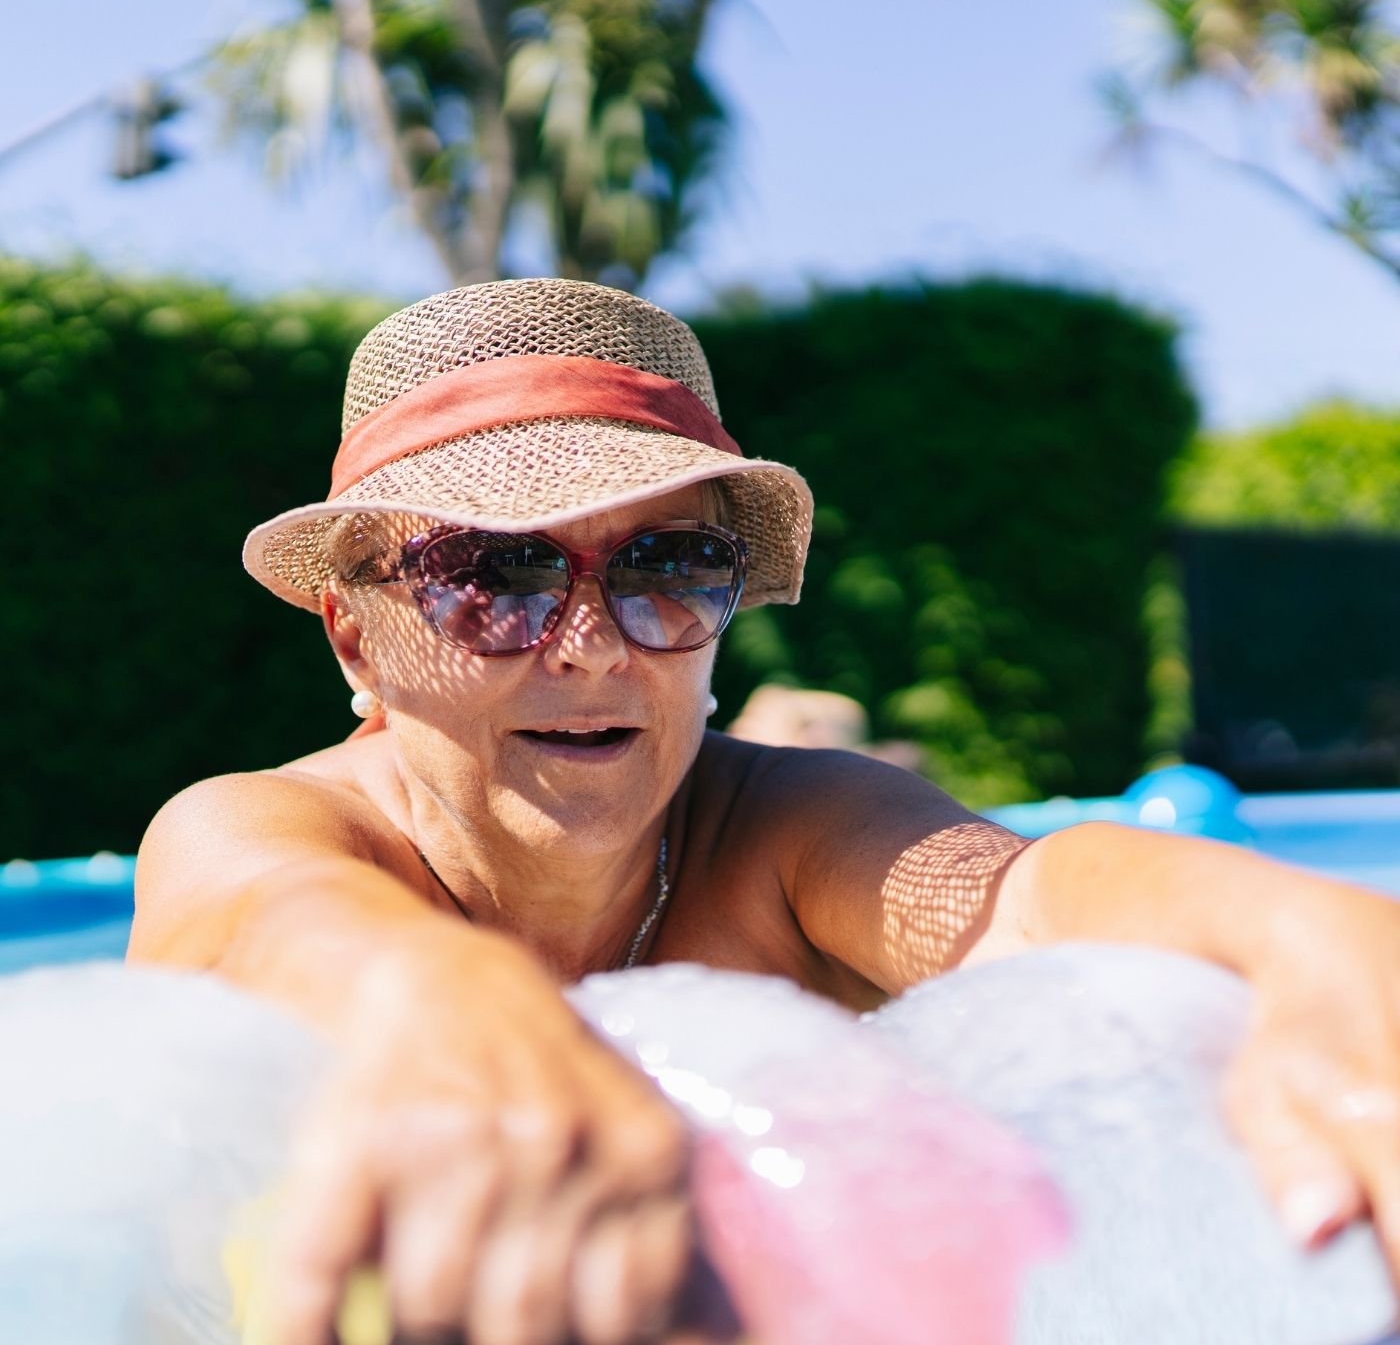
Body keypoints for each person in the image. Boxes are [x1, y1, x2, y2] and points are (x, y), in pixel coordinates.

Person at [132, 278, 1400, 1345]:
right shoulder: (261, 827)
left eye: (665, 566)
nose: (589, 647)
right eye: (494, 574)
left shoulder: (784, 831)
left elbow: (1019, 900)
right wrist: (436, 996)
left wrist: (1305, 931)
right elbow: (279, 921)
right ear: (355, 635)